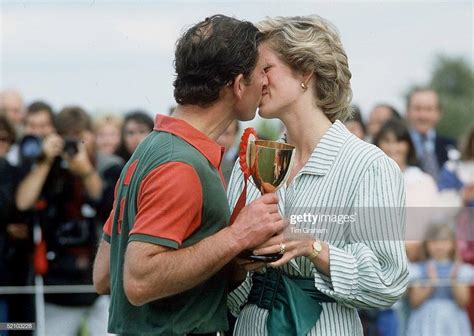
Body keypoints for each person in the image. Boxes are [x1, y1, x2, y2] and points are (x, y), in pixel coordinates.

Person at [92, 14, 285, 335]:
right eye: (261, 72)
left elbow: (104, 274)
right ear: (238, 85)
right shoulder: (180, 165)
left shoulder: (152, 149)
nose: (266, 81)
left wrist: (229, 260)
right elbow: (139, 281)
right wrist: (237, 236)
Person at [227, 15, 408, 336]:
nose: (258, 80)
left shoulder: (368, 165)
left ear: (305, 73)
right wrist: (236, 263)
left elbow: (388, 281)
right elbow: (231, 295)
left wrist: (313, 248)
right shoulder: (250, 162)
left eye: (266, 68)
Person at [16, 106, 120, 335]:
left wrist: (85, 172)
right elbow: (23, 203)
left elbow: (112, 208)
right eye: (69, 140)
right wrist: (44, 162)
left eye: (81, 139)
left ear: (91, 136)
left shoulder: (108, 166)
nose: (76, 147)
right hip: (56, 283)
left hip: (103, 280)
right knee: (29, 329)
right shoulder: (46, 166)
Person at [406, 223, 472, 336]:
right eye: (434, 241)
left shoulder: (460, 269)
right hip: (426, 321)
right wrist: (431, 283)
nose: (439, 246)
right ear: (426, 244)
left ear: (453, 243)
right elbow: (415, 301)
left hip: (452, 321)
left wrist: (454, 280)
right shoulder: (419, 269)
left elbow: (463, 301)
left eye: (444, 241)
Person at [406, 87, 457, 180]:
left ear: (439, 113)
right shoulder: (397, 147)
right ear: (408, 111)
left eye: (429, 109)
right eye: (418, 109)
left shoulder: (454, 146)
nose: (423, 115)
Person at [217, 120, 240, 185]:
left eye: (227, 134)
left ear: (235, 135)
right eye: (219, 133)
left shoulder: (242, 162)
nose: (221, 139)